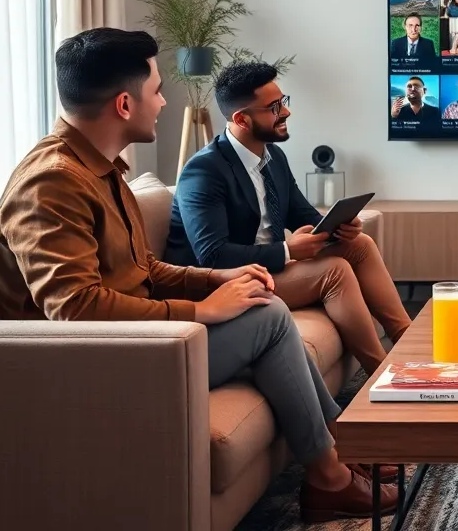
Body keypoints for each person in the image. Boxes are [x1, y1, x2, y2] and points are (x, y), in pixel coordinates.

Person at [0, 29, 398, 518]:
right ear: (124, 104)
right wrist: (200, 308)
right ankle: (329, 475)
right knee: (267, 317)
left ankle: (336, 450)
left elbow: (141, 267)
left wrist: (217, 281)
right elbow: (76, 311)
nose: (163, 103)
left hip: (137, 339)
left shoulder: (98, 169)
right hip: (86, 365)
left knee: (261, 305)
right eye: (158, 91)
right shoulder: (52, 182)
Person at [164, 61, 412, 378]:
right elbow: (212, 255)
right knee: (334, 271)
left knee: (359, 244)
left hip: (268, 268)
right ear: (241, 118)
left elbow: (304, 214)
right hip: (223, 285)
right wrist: (288, 251)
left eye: (284, 101)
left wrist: (341, 226)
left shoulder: (273, 157)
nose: (286, 112)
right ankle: (383, 374)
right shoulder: (204, 171)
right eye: (273, 107)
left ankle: (408, 344)